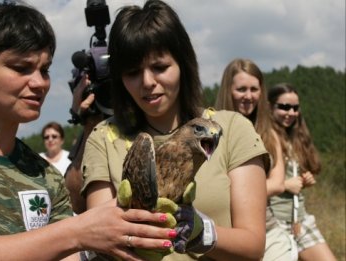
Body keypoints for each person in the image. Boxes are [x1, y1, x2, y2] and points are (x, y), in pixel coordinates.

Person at [0, 2, 177, 260]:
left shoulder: (44, 175)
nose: (39, 83)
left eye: (44, 70)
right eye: (21, 67)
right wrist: (78, 231)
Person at [78, 1, 269, 260]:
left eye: (159, 67)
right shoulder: (104, 137)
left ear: (182, 64)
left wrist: (203, 234)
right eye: (133, 72)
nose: (147, 82)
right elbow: (103, 243)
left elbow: (253, 246)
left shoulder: (230, 128)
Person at [215, 58, 297, 261]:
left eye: (254, 89)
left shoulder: (270, 133)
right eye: (241, 89)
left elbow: (277, 184)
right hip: (222, 234)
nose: (248, 96)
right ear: (228, 90)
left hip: (267, 233)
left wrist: (230, 196)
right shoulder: (211, 128)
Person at [268, 83, 337, 261]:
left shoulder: (295, 137)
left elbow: (299, 173)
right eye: (284, 107)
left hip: (301, 219)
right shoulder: (264, 137)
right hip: (275, 221)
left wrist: (305, 180)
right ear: (270, 107)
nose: (290, 113)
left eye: (295, 108)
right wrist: (285, 185)